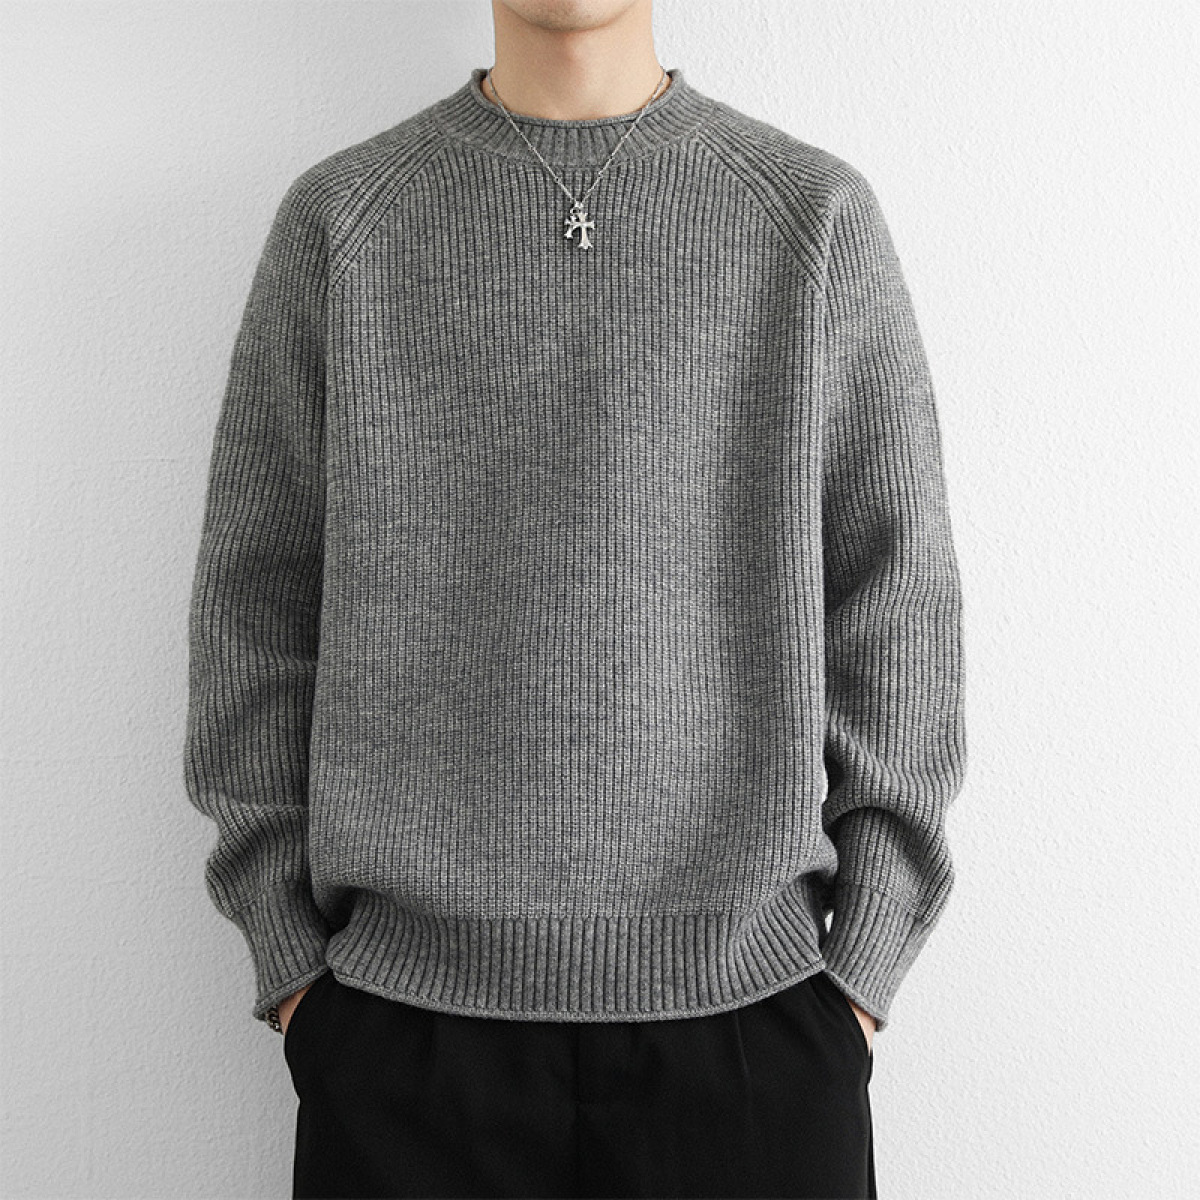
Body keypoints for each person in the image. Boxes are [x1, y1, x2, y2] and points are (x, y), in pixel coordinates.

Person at [183, 1, 967, 1196]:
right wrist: (292, 963)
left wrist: (861, 967)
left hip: (754, 1035)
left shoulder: (811, 217)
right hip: (402, 1044)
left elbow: (897, 594)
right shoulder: (343, 223)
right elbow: (255, 603)